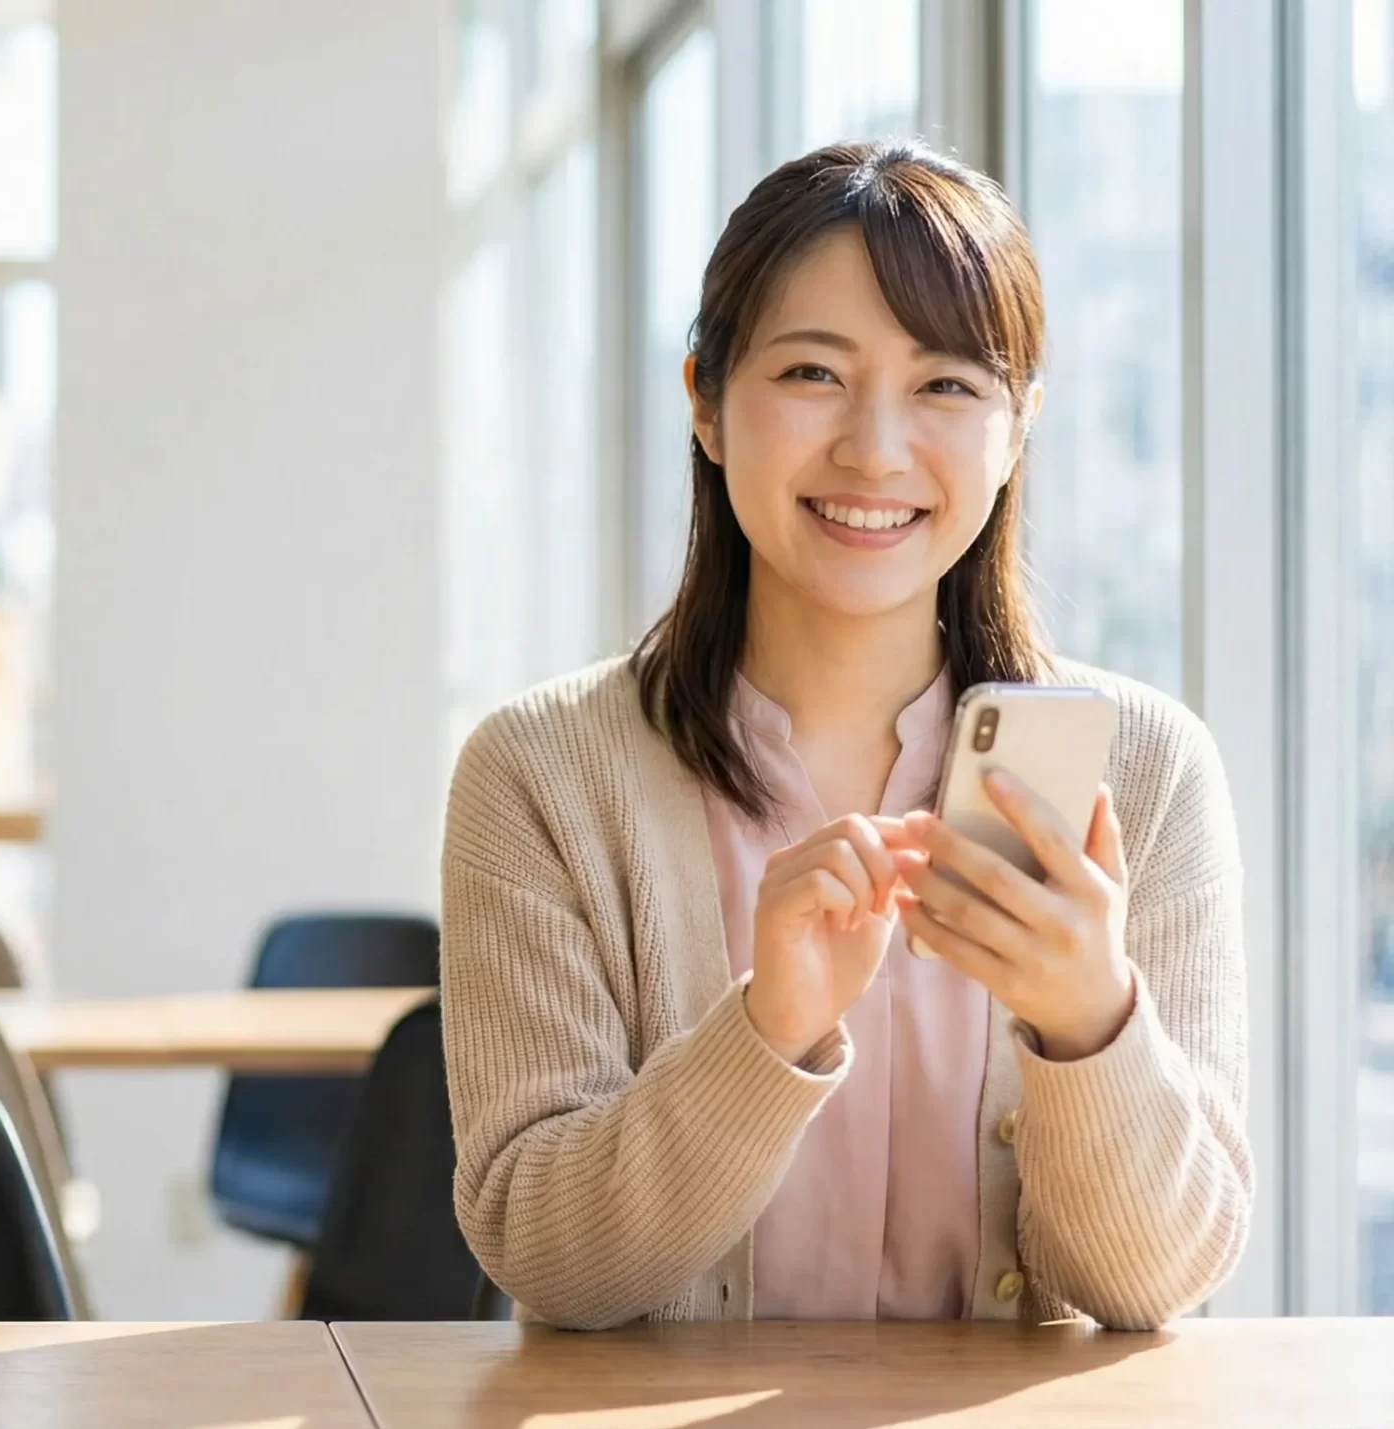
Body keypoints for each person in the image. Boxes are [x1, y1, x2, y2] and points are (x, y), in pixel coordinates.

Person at [441, 141, 1247, 1330]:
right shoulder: (539, 775)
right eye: (812, 372)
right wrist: (765, 1033)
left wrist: (1090, 1019)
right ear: (705, 403)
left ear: (1018, 427)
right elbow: (549, 1260)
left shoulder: (1149, 774)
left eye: (945, 386)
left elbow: (1157, 1285)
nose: (874, 450)